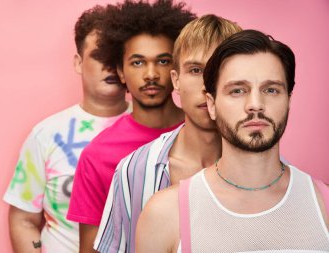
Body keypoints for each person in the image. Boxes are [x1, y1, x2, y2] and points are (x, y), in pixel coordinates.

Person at [136, 29, 329, 252]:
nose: (255, 104)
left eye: (271, 90)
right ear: (211, 104)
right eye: (237, 90)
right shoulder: (165, 214)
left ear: (288, 100)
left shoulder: (324, 206)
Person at [94, 14, 242, 253]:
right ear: (176, 80)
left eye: (220, 69)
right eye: (195, 70)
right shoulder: (133, 170)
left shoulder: (268, 171)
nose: (207, 84)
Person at [66, 0, 196, 252]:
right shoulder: (98, 155)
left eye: (163, 61)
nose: (150, 74)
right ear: (120, 71)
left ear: (176, 69)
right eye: (138, 62)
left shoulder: (207, 135)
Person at [3, 5, 131, 253]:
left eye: (117, 56)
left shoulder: (155, 131)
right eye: (99, 55)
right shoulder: (46, 134)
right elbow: (23, 219)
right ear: (78, 63)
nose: (110, 66)